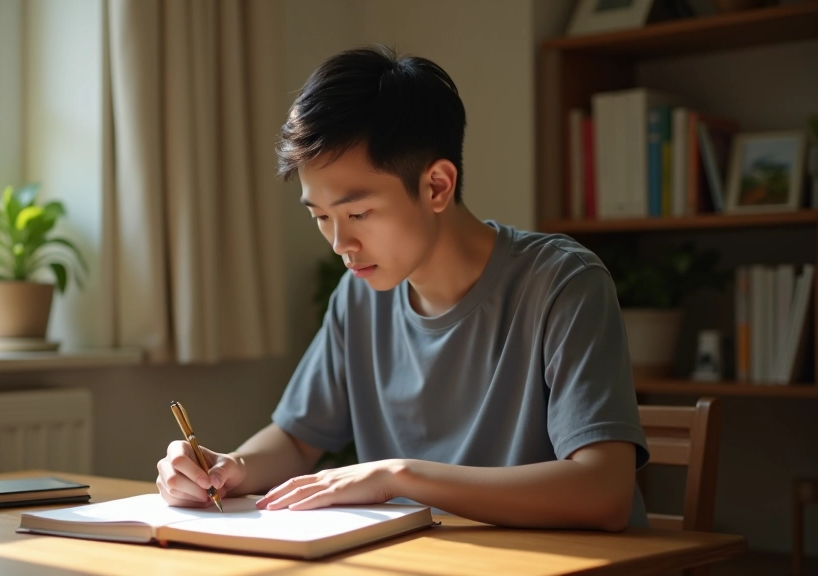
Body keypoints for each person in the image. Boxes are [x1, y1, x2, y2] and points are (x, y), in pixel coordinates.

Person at [156, 44, 649, 531]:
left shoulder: (562, 284)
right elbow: (296, 439)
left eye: (357, 214)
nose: (340, 243)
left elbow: (602, 491)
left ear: (437, 186)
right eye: (321, 217)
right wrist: (229, 469)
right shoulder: (359, 295)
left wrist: (398, 477)